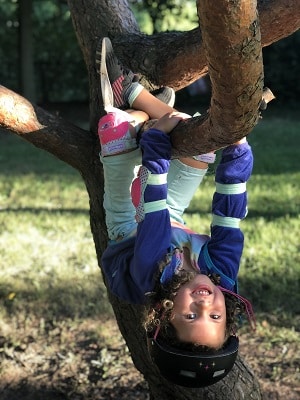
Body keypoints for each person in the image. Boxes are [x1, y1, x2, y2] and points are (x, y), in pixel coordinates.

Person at [96, 37, 256, 387]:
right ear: (227, 314)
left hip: (132, 227)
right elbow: (229, 220)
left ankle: (133, 103)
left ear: (165, 312)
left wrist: (155, 146)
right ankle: (149, 111)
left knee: (116, 132)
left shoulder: (152, 277)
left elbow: (151, 214)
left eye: (190, 314)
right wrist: (237, 155)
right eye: (214, 315)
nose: (204, 303)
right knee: (201, 142)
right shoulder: (224, 279)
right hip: (173, 217)